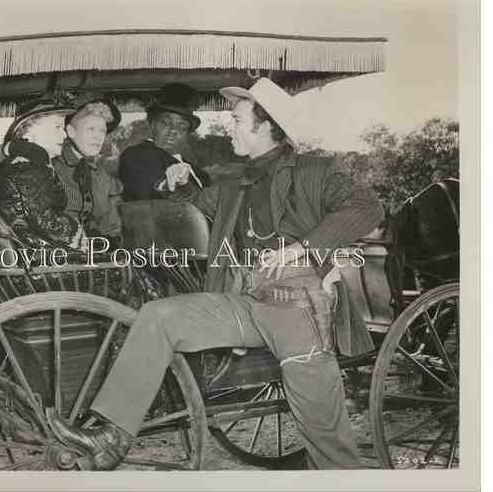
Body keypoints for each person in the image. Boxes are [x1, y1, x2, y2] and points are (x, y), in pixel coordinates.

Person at [46, 77, 384, 470]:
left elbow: (367, 206)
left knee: (328, 447)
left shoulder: (316, 170)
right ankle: (110, 440)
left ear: (266, 126)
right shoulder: (235, 181)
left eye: (238, 119)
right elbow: (195, 204)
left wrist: (305, 247)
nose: (229, 125)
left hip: (300, 310)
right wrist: (179, 183)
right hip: (250, 302)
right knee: (159, 316)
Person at [0, 96, 85, 251]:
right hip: (41, 263)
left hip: (28, 253)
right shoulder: (29, 168)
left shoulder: (19, 164)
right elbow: (47, 224)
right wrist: (81, 237)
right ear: (28, 133)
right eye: (57, 127)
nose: (64, 135)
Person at [118, 83, 211, 201]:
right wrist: (168, 183)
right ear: (153, 125)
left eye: (181, 126)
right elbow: (152, 195)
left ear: (187, 135)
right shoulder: (137, 155)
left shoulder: (197, 171)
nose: (173, 130)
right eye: (166, 123)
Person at [53, 97, 124, 248]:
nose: (98, 136)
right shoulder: (51, 167)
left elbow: (111, 227)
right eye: (91, 129)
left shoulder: (101, 176)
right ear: (71, 131)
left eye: (102, 131)